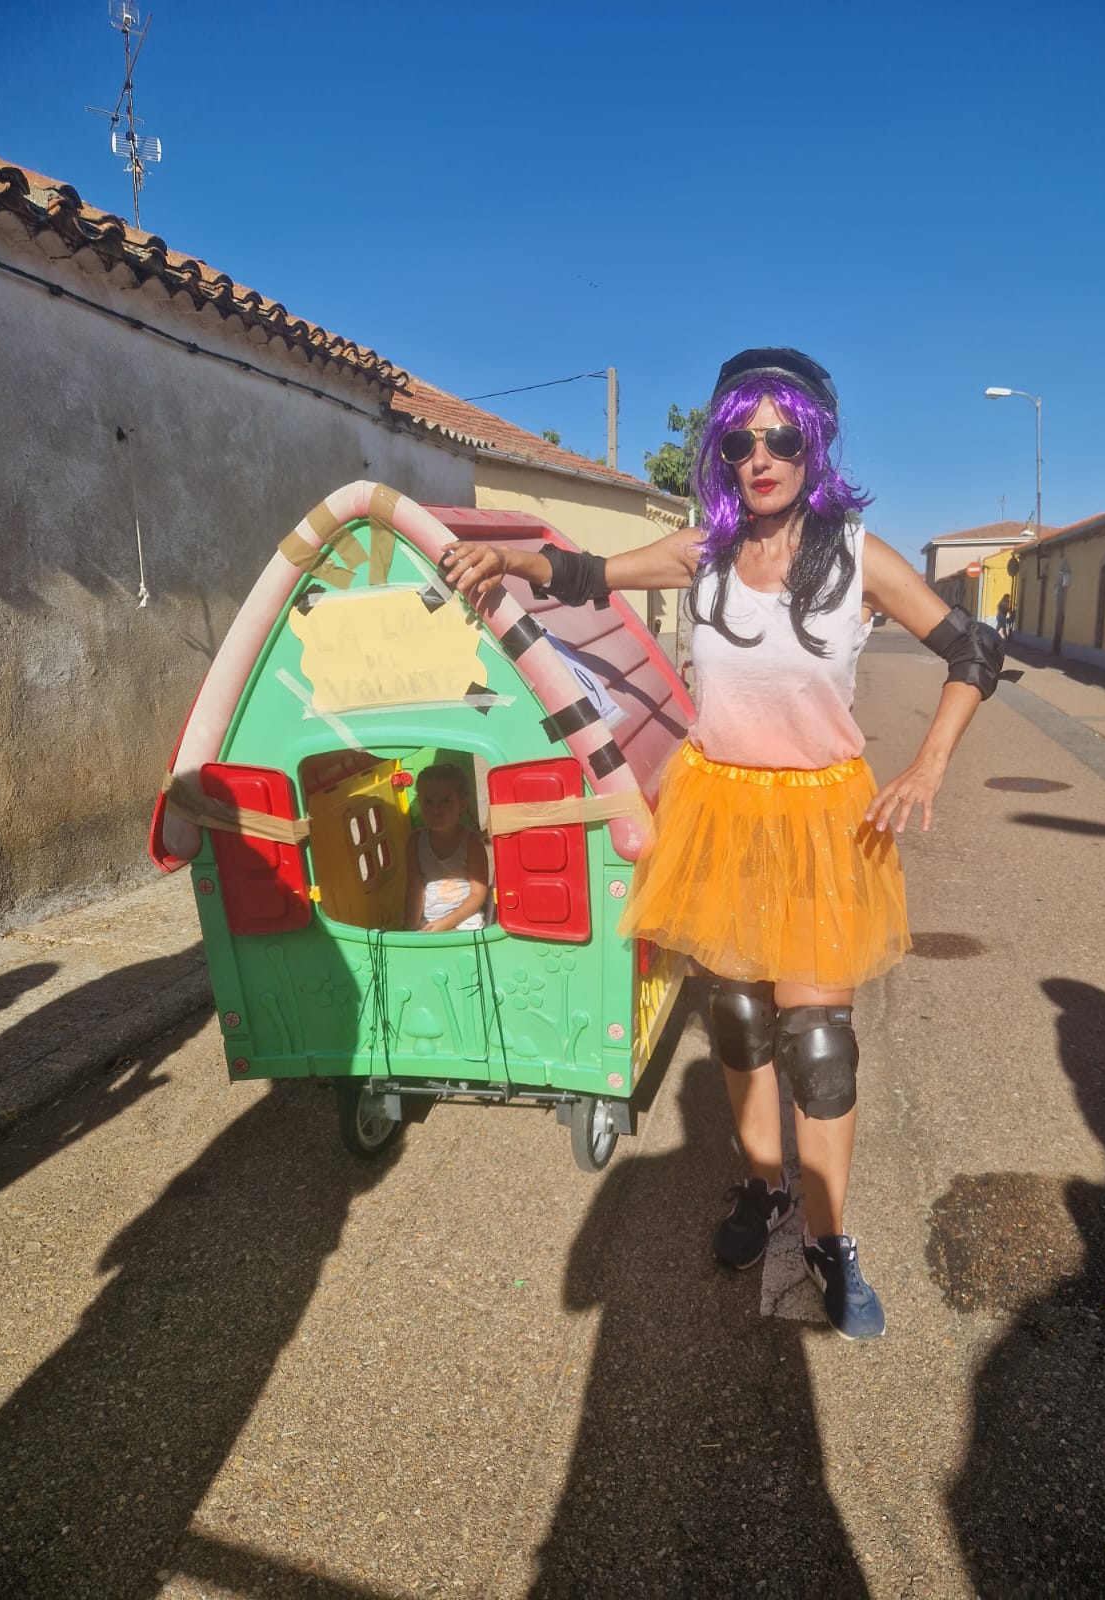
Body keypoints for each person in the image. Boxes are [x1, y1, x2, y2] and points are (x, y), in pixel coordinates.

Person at [440, 347, 1002, 1339]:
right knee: (739, 1015)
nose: (760, 453)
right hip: (723, 805)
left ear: (812, 442)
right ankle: (764, 1190)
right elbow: (580, 574)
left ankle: (830, 1239)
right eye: (739, 438)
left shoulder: (857, 554)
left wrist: (928, 767)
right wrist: (506, 561)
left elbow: (973, 649)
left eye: (781, 434)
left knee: (818, 1043)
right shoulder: (701, 552)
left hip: (825, 815)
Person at [403, 764, 489, 933]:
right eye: (428, 801)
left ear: (462, 804)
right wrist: (410, 930)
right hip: (428, 922)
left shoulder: (472, 842)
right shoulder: (414, 840)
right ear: (420, 802)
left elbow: (478, 894)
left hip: (464, 921)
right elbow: (415, 886)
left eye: (445, 801)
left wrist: (444, 924)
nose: (436, 810)